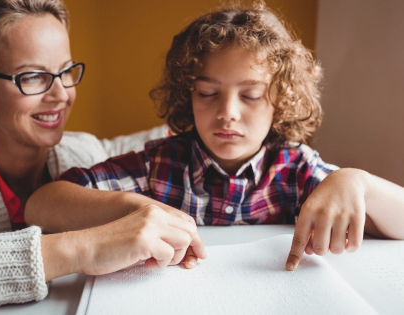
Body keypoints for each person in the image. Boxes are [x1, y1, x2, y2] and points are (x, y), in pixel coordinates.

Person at [26, 1, 404, 274]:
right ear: (187, 95)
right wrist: (136, 208)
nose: (228, 112)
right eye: (208, 93)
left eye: (252, 95)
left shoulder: (297, 170)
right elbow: (41, 204)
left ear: (281, 100)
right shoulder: (160, 164)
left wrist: (357, 182)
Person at [0, 0, 205, 313]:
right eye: (32, 76)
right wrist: (87, 246)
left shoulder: (85, 153)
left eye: (65, 71)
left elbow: (162, 142)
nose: (61, 94)